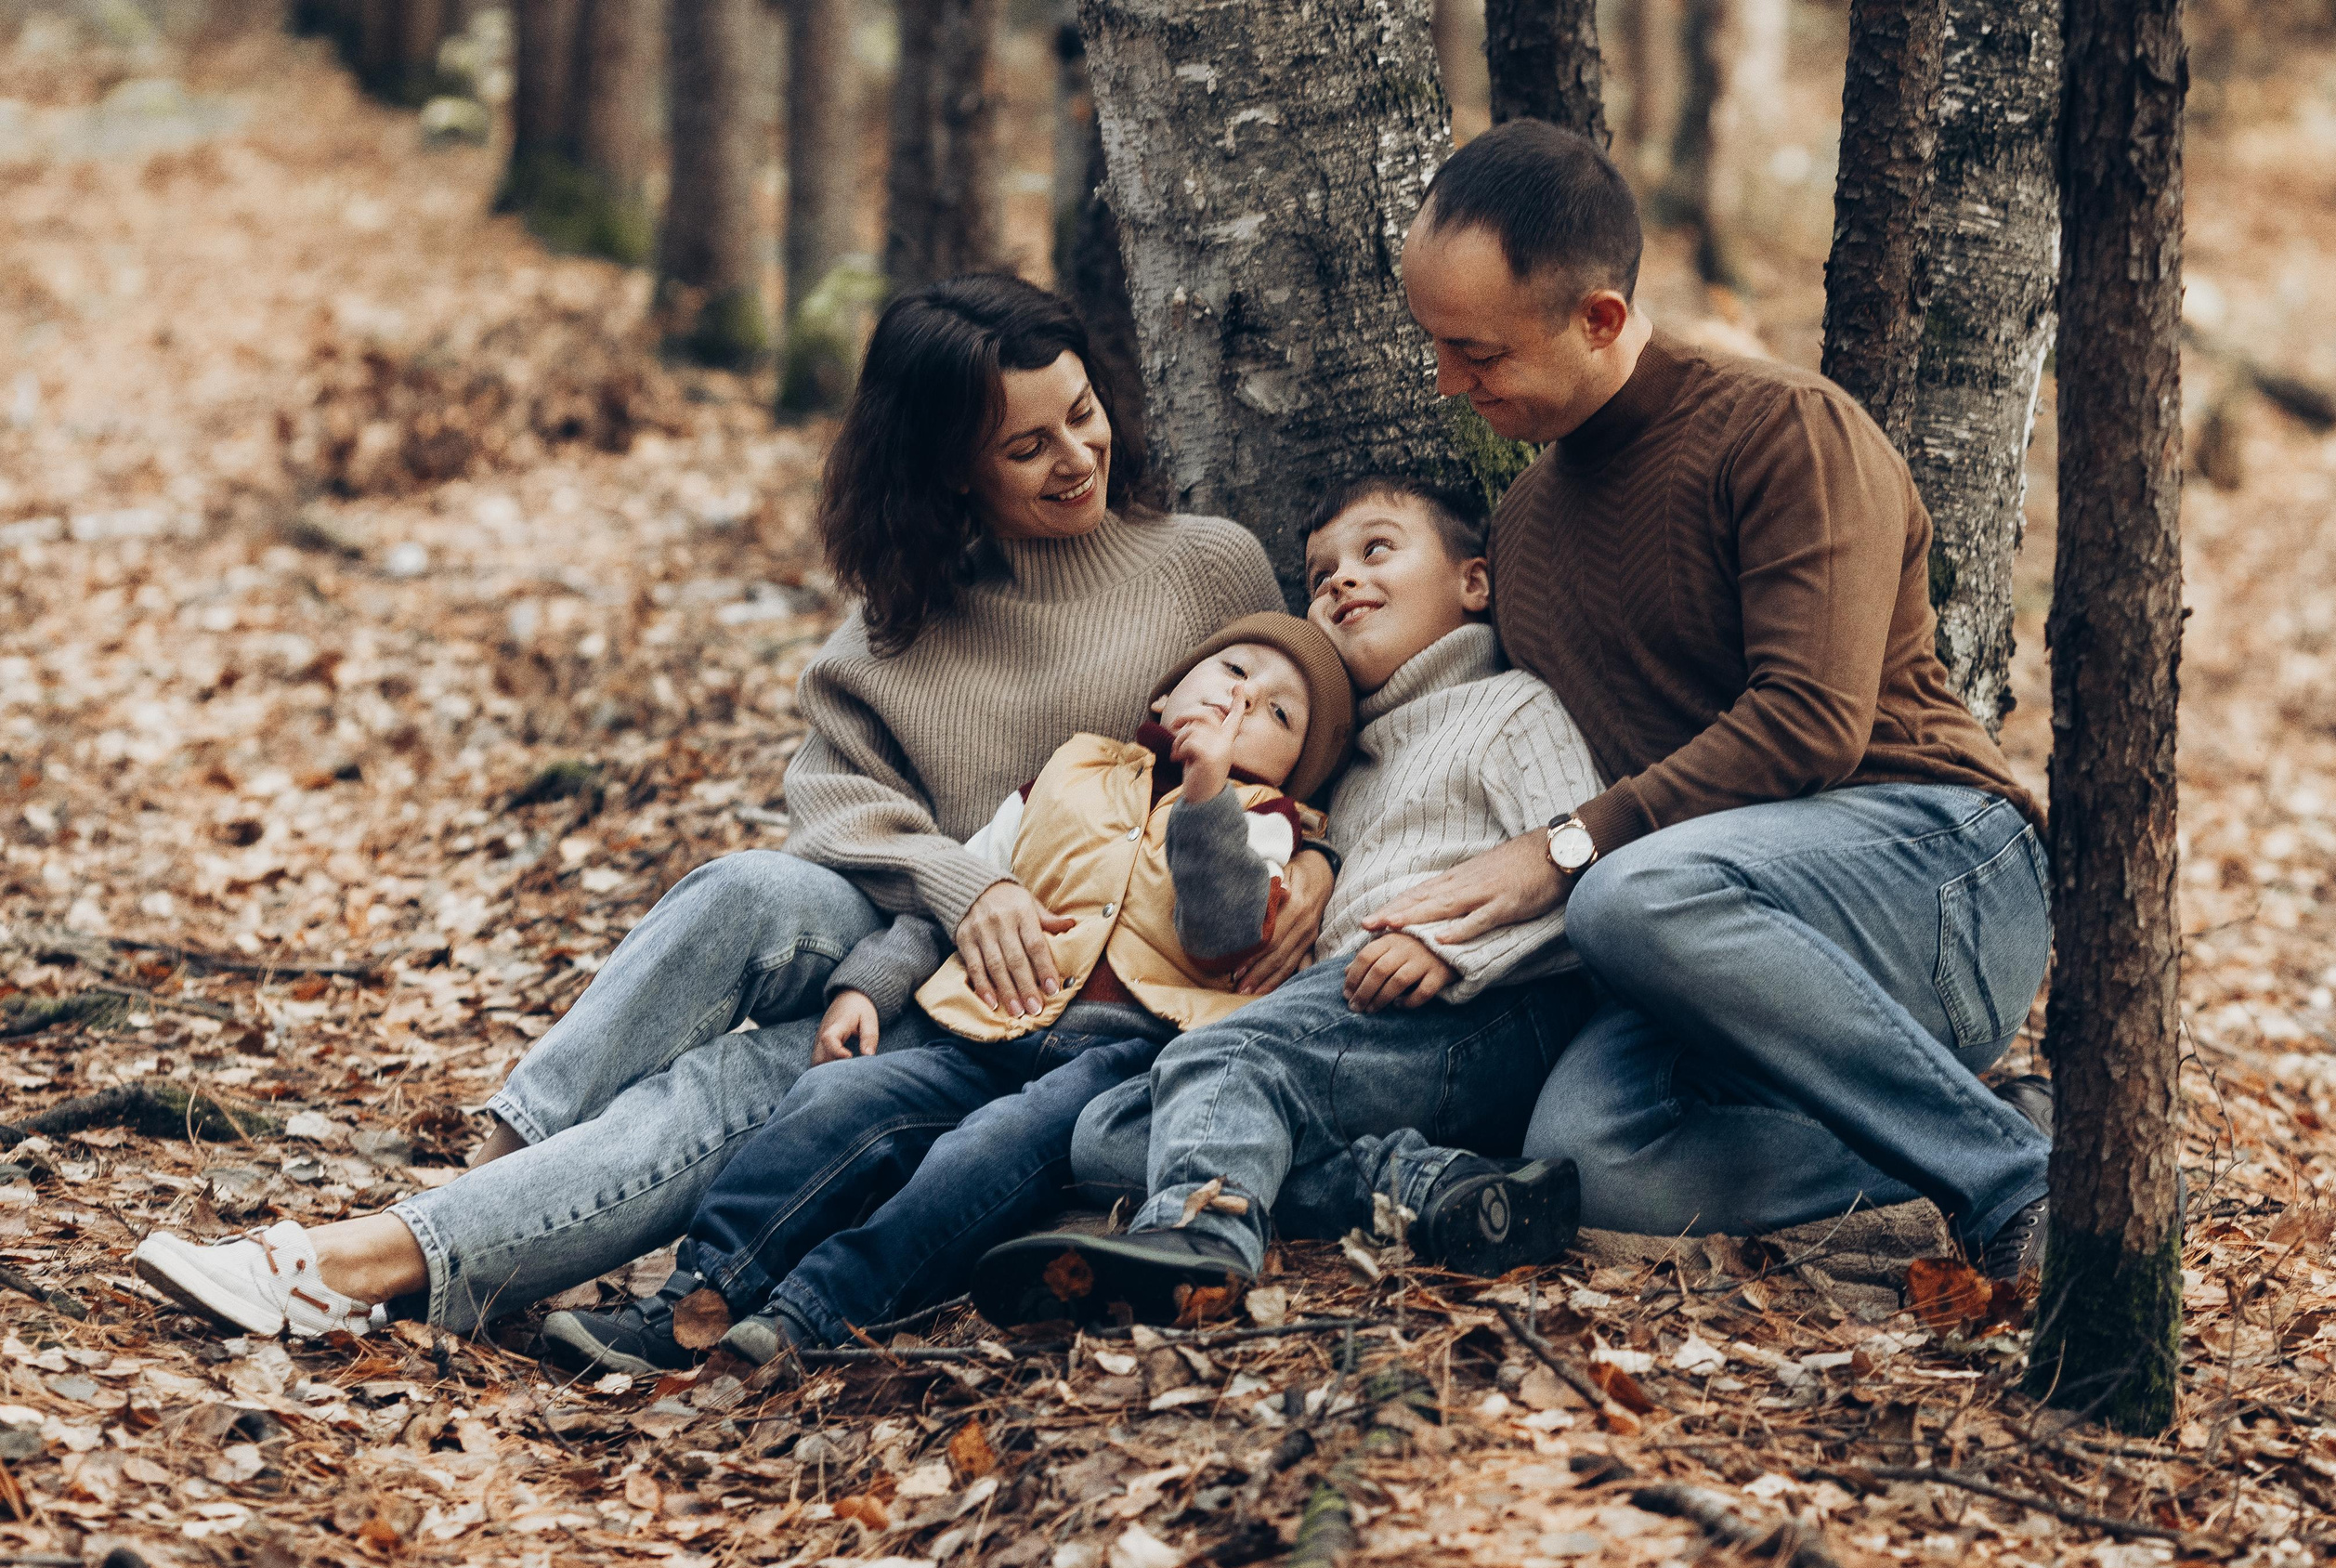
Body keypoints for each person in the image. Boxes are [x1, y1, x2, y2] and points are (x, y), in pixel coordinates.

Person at [129, 275, 1334, 1340]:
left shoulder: (1207, 566)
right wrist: (963, 885)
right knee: (744, 889)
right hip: (913, 929)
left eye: (1083, 413)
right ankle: (494, 1163)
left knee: (727, 1088)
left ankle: (365, 1260)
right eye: (1027, 445)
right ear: (947, 466)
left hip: (1049, 995)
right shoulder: (904, 615)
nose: (1077, 456)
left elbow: (1316, 738)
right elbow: (831, 800)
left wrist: (1321, 873)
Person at [1364, 120, 2055, 1280]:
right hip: (1706, 943)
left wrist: (1565, 848)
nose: (1446, 382)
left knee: (1625, 890)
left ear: (1598, 318)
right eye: (1434, 344)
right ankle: (2004, 1128)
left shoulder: (1784, 429)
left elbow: (1810, 723)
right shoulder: (1522, 531)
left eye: (1474, 351)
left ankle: (2017, 1186)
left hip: (1941, 878)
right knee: (1591, 1163)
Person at [538, 615, 1354, 1377]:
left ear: (1298, 768)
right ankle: (696, 1298)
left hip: (1120, 1060)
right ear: (1165, 693)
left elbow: (1221, 931)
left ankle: (817, 1310)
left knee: (984, 1151)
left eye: (1278, 714)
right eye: (1233, 671)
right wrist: (869, 986)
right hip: (984, 1029)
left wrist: (1209, 793)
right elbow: (961, 896)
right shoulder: (1072, 771)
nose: (1242, 702)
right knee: (833, 1100)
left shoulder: (1266, 825)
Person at [973, 476, 1603, 1327]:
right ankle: (1433, 1188)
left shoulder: (1510, 707)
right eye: (1318, 574)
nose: (1341, 578)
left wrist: (1453, 950)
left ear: (1474, 582)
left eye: (1376, 549)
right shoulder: (1345, 760)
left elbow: (1585, 878)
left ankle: (1201, 1245)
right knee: (1111, 1131)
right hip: (1360, 1023)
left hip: (1488, 1008)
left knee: (1222, 1062)